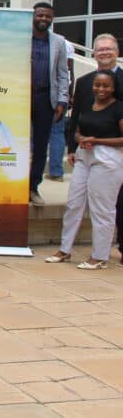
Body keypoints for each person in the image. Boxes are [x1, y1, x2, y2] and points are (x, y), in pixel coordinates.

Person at [47, 70, 123, 270]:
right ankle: (65, 249)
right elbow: (78, 129)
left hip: (108, 160)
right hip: (84, 156)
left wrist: (96, 141)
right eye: (98, 85)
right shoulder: (89, 105)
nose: (101, 89)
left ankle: (99, 256)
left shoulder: (119, 109)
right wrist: (80, 139)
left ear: (114, 87)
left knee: (102, 209)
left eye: (106, 85)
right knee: (74, 203)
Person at [67, 34, 123, 259]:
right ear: (94, 54)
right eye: (100, 50)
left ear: (117, 52)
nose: (105, 53)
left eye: (109, 49)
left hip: (117, 151)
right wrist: (72, 146)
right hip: (89, 152)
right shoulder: (84, 81)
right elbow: (76, 115)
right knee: (86, 202)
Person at [29, 2, 70, 207]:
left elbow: (63, 74)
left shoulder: (59, 42)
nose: (44, 19)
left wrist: (62, 101)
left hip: (46, 99)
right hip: (21, 98)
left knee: (40, 146)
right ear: (33, 16)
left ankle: (32, 188)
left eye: (48, 17)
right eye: (40, 15)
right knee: (17, 144)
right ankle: (14, 185)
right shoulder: (22, 37)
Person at [47, 39, 75, 182]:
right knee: (57, 132)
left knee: (52, 132)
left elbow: (69, 72)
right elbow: (70, 72)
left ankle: (32, 171)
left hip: (53, 97)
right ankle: (56, 173)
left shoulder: (63, 43)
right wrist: (68, 96)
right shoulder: (66, 43)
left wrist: (66, 98)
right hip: (60, 96)